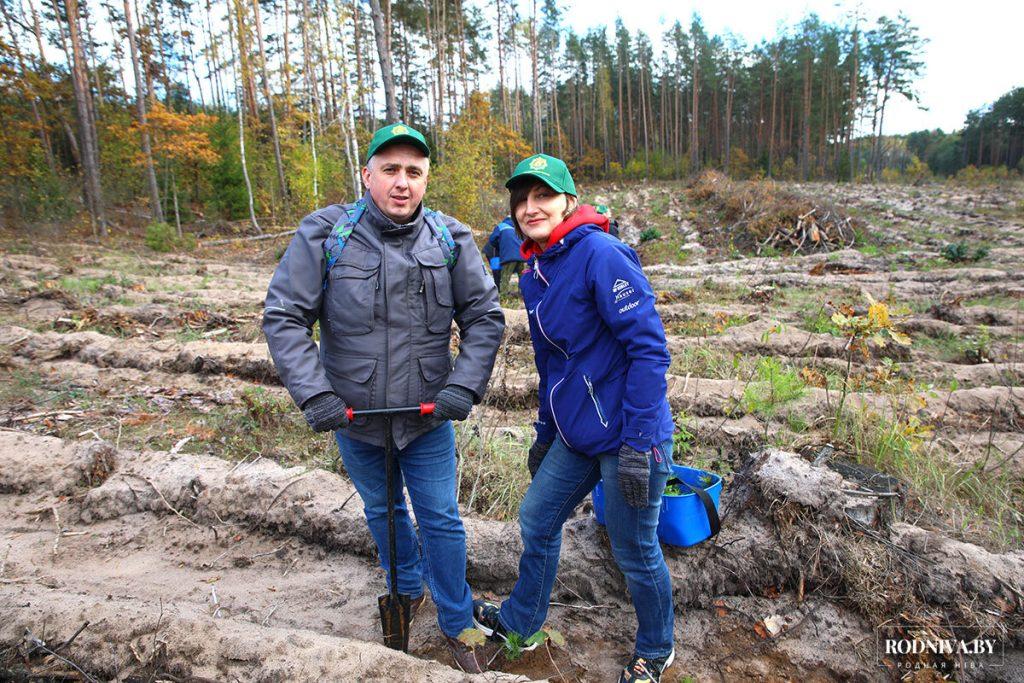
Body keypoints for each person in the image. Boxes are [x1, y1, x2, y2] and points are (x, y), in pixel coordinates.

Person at [262, 122, 505, 673]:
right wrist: (315, 395)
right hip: (354, 417)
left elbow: (485, 318)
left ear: (426, 180)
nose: (402, 183)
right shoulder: (325, 235)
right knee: (382, 509)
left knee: (442, 517)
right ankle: (405, 586)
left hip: (426, 418)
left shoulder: (451, 239)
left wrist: (462, 386)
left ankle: (457, 622)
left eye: (413, 173)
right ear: (366, 174)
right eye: (390, 170)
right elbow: (284, 316)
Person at [471, 154, 677, 683]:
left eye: (543, 195)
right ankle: (521, 619)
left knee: (633, 548)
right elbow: (552, 363)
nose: (530, 207)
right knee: (538, 518)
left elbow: (649, 351)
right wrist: (544, 433)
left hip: (629, 433)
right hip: (578, 431)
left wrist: (638, 443)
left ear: (568, 199)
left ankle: (656, 650)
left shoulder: (601, 254)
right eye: (522, 198)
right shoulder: (536, 268)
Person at [486, 216, 525, 294]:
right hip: (521, 256)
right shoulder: (518, 228)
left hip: (509, 256)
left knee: (505, 277)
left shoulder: (501, 226)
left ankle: (503, 296)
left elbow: (492, 240)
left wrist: (499, 246)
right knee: (522, 277)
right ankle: (522, 294)